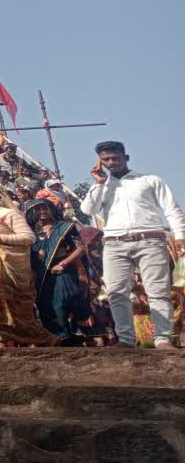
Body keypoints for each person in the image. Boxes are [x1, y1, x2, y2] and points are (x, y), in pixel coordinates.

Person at [80, 141, 185, 349]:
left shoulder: (149, 180)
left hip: (150, 239)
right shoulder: (101, 185)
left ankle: (162, 339)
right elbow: (88, 210)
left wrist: (180, 236)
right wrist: (99, 183)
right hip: (114, 243)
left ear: (125, 158)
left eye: (115, 158)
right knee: (116, 292)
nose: (111, 162)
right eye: (106, 160)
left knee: (158, 291)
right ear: (100, 162)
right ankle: (126, 340)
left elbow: (172, 209)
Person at [0, 184, 56, 346]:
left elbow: (28, 237)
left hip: (7, 265)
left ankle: (40, 339)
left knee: (7, 302)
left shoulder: (8, 213)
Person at [24, 198, 97, 345]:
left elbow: (81, 248)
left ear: (52, 209)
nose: (42, 211)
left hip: (62, 269)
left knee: (64, 298)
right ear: (32, 212)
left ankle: (71, 333)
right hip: (40, 273)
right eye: (38, 209)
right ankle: (57, 337)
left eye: (45, 208)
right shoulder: (30, 232)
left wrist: (63, 264)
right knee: (45, 304)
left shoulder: (65, 227)